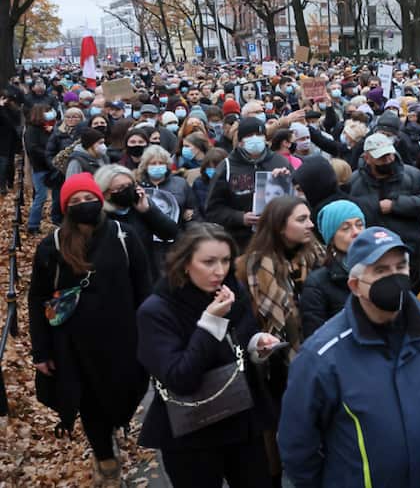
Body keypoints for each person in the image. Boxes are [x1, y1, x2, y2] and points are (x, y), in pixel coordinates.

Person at [278, 227, 420, 487]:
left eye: (400, 267)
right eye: (381, 271)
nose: (394, 278)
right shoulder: (322, 356)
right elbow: (298, 445)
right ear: (355, 285)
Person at [28, 173, 151, 486]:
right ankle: (104, 456)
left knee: (127, 391)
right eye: (75, 201)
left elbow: (144, 288)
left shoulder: (124, 236)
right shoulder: (52, 246)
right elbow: (37, 300)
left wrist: (151, 333)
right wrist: (41, 351)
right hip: (73, 344)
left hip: (124, 337)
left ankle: (118, 422)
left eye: (88, 198)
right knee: (91, 403)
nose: (84, 205)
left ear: (100, 199)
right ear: (66, 207)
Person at [135, 224, 280, 488]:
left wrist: (258, 345)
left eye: (225, 260)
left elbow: (244, 337)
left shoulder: (231, 290)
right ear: (185, 263)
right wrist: (211, 322)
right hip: (192, 431)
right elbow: (180, 377)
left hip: (241, 420)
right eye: (208, 262)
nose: (220, 270)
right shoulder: (156, 310)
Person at [237, 194, 323, 484]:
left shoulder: (316, 256)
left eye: (309, 217)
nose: (310, 225)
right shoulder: (252, 266)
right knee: (273, 431)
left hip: (315, 354)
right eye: (302, 219)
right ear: (278, 226)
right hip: (272, 364)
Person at [206, 118, 290, 250]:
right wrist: (240, 218)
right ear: (240, 142)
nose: (255, 139)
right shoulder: (226, 167)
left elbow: (297, 199)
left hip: (277, 239)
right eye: (249, 136)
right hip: (242, 242)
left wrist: (286, 180)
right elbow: (213, 209)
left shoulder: (281, 162)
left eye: (259, 135)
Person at [348, 131, 420, 261]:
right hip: (371, 251)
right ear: (367, 158)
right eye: (381, 157)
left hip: (408, 247)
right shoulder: (354, 182)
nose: (387, 160)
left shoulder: (412, 175)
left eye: (389, 155)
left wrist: (396, 205)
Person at [95, 163, 179, 281]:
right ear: (106, 194)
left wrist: (148, 211)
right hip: (118, 280)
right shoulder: (100, 217)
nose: (127, 190)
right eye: (120, 188)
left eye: (130, 185)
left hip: (148, 276)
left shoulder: (141, 205)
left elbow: (171, 233)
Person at [299, 200, 365, 339]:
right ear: (331, 238)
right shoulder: (318, 283)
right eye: (345, 228)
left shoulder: (379, 268)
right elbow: (315, 339)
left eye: (360, 225)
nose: (356, 232)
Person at [25, 103, 56, 234]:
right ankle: (33, 224)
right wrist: (49, 155)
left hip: (52, 166)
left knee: (56, 194)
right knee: (41, 196)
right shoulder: (32, 130)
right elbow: (33, 149)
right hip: (40, 167)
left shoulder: (47, 128)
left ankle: (56, 220)